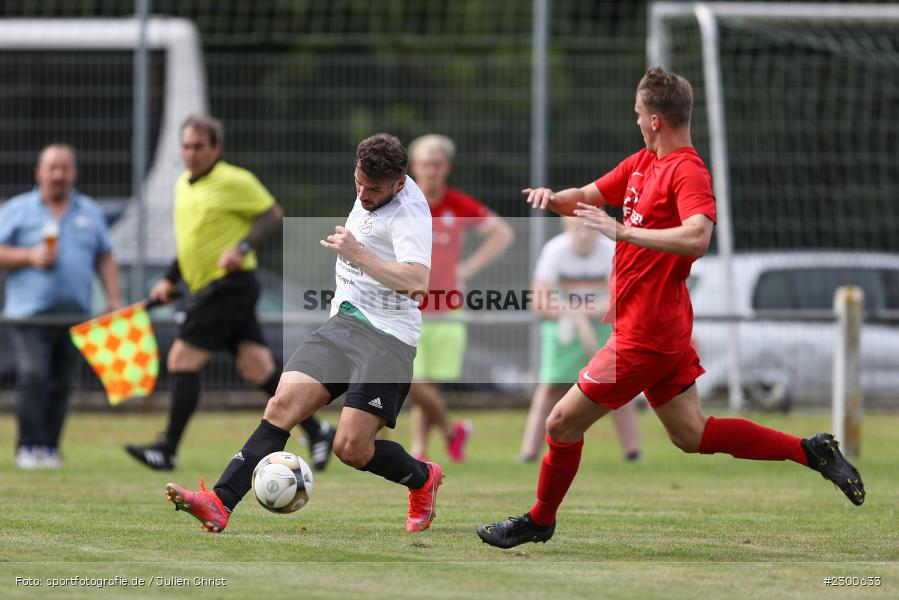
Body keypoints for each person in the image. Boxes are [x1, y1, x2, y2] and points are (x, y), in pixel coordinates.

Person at [477, 67, 865, 549]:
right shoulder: (642, 162)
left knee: (560, 423)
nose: (635, 119)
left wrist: (624, 232)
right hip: (663, 327)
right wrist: (554, 198)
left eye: (639, 112)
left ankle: (540, 519)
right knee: (691, 433)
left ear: (656, 119)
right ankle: (810, 451)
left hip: (646, 334)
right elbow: (587, 199)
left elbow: (697, 235)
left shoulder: (687, 169)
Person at [164, 133, 444, 534]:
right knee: (280, 406)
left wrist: (359, 254)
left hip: (388, 339)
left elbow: (418, 282)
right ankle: (219, 503)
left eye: (374, 189)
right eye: (358, 183)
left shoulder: (409, 213)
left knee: (350, 448)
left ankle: (422, 478)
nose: (363, 194)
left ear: (399, 183)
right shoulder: (374, 184)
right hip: (344, 324)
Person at [124, 115, 334, 472]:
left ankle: (168, 448)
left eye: (199, 147)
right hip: (205, 288)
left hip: (229, 287)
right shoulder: (182, 186)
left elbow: (271, 214)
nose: (191, 153)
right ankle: (317, 431)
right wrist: (172, 278)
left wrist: (240, 246)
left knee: (181, 359)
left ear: (215, 148)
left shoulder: (235, 180)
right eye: (186, 146)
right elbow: (193, 242)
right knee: (257, 368)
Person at [0, 144, 121, 469]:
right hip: (28, 315)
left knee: (63, 383)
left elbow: (105, 258)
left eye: (64, 167)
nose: (58, 174)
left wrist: (113, 299)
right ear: (38, 172)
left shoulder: (89, 211)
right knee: (34, 375)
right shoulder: (19, 209)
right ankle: (28, 447)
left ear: (74, 173)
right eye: (52, 168)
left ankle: (49, 448)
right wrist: (29, 256)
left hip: (75, 316)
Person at [407, 134, 514, 462]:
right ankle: (453, 432)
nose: (432, 171)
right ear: (414, 168)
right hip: (408, 307)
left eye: (438, 165)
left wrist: (467, 268)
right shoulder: (403, 204)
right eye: (426, 164)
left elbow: (502, 233)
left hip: (447, 309)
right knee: (410, 380)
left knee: (429, 385)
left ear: (446, 168)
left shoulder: (456, 204)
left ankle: (419, 451)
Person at [520, 216, 640, 463]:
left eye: (588, 227)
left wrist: (580, 315)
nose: (583, 234)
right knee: (549, 388)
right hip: (561, 326)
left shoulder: (611, 251)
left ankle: (633, 453)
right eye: (577, 227)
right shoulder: (554, 251)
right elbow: (539, 302)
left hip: (604, 326)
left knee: (618, 388)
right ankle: (528, 453)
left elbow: (621, 301)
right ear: (566, 227)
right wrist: (576, 318)